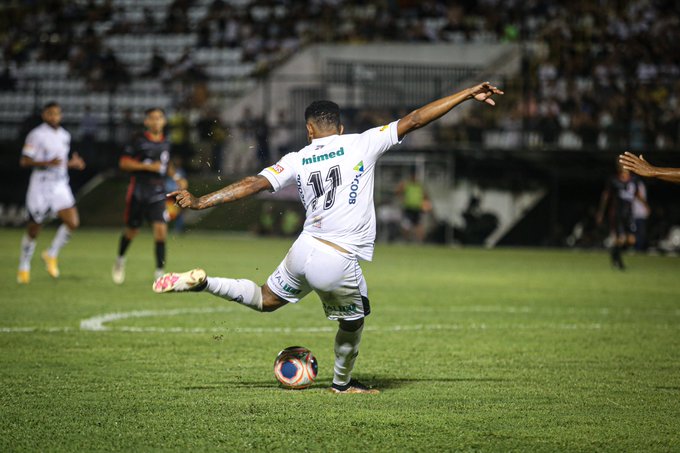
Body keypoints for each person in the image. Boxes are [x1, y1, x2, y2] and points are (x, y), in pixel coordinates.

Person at [153, 82, 504, 394]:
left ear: (309, 130)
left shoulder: (297, 158)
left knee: (267, 299)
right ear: (341, 126)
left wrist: (201, 201)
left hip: (303, 248)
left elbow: (253, 184)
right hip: (336, 256)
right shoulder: (362, 142)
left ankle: (205, 283)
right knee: (353, 323)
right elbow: (415, 118)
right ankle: (342, 384)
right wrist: (467, 94)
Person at [112, 108, 187, 284]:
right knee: (132, 231)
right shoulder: (138, 141)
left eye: (159, 118)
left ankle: (159, 273)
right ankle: (120, 260)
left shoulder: (166, 142)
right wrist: (146, 167)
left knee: (161, 231)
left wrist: (177, 178)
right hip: (138, 190)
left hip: (158, 192)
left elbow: (165, 165)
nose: (156, 121)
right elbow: (124, 163)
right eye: (152, 118)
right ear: (146, 122)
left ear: (164, 122)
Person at [17, 101, 86, 284]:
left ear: (60, 115)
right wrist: (46, 163)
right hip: (40, 186)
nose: (54, 117)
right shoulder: (36, 135)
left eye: (56, 114)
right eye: (50, 113)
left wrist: (71, 164)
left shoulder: (65, 135)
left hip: (60, 185)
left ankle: (51, 254)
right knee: (34, 229)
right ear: (44, 115)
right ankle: (24, 265)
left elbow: (60, 161)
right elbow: (24, 161)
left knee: (73, 222)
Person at [596, 160, 648, 270]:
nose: (623, 168)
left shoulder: (634, 180)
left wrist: (645, 205)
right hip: (617, 214)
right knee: (620, 239)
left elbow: (637, 194)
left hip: (629, 213)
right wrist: (601, 212)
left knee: (631, 240)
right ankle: (618, 262)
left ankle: (614, 254)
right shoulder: (613, 180)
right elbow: (606, 196)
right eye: (621, 166)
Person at [395, 169, 432, 242]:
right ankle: (406, 240)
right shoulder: (407, 184)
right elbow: (397, 191)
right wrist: (402, 199)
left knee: (419, 226)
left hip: (417, 209)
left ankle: (420, 242)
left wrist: (426, 204)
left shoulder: (420, 186)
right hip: (408, 208)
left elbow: (426, 196)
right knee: (406, 226)